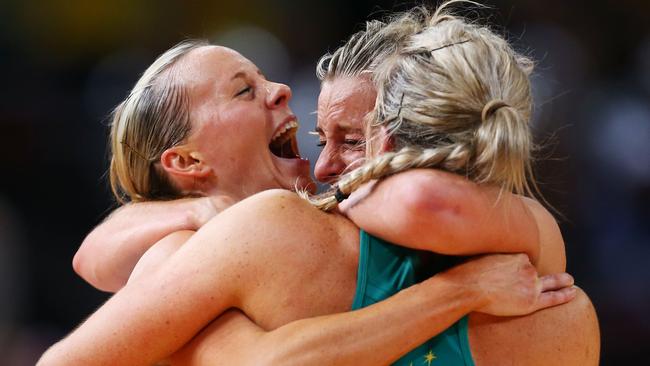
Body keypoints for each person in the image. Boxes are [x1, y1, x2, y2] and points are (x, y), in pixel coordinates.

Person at [41, 4, 597, 366]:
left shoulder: (275, 229)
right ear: (186, 160)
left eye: (350, 141)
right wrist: (461, 292)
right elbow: (95, 260)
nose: (282, 89)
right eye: (242, 91)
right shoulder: (551, 295)